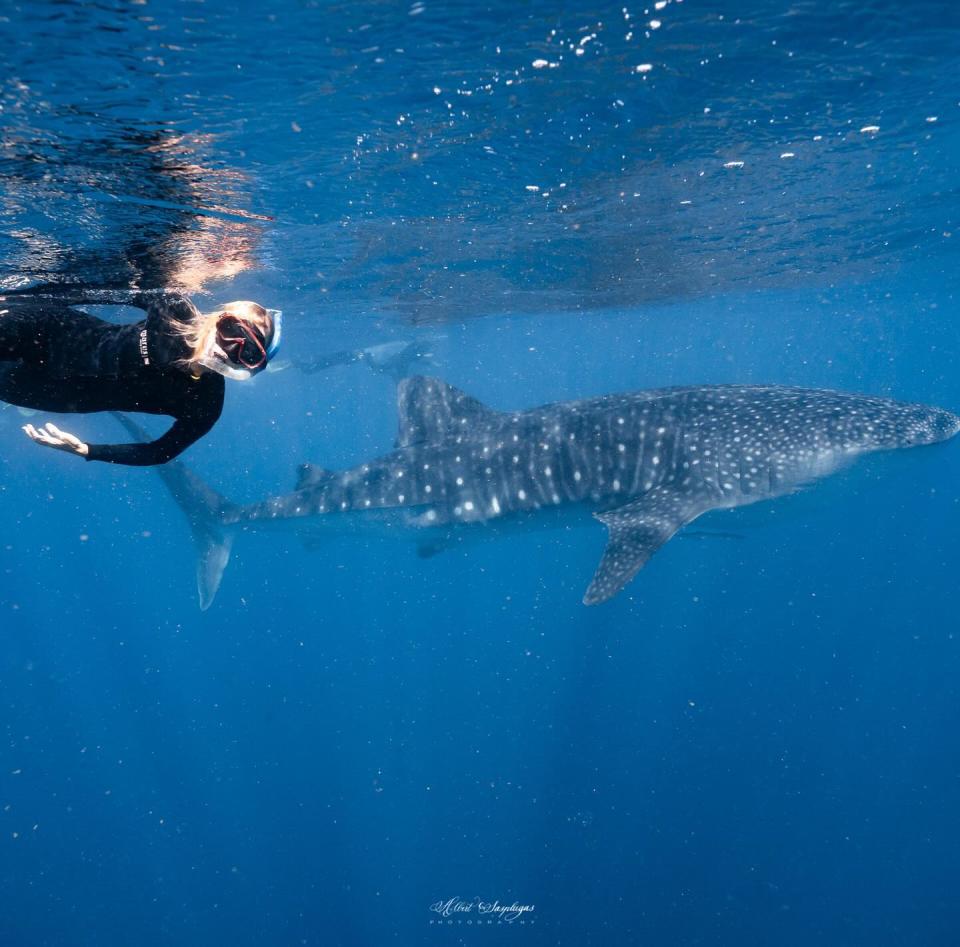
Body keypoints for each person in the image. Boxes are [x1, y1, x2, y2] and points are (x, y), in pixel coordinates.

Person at [0, 289, 281, 466]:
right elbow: (115, 290)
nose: (231, 347)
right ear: (220, 317)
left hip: (51, 392)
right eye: (234, 331)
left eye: (250, 352)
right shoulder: (176, 310)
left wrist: (88, 449)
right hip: (49, 332)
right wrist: (26, 298)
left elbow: (158, 453)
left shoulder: (205, 404)